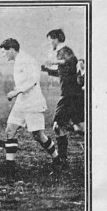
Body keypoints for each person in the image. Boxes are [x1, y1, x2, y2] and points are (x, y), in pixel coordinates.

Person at [0, 38, 61, 180]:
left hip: (33, 102)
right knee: (10, 130)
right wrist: (17, 92)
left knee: (38, 135)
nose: (3, 55)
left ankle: (57, 158)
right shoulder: (18, 61)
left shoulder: (27, 59)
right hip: (21, 102)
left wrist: (16, 91)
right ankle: (10, 168)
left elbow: (33, 80)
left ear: (11, 50)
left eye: (4, 52)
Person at [41, 29, 85, 160]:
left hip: (69, 95)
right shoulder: (62, 53)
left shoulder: (64, 50)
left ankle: (62, 159)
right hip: (75, 94)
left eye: (50, 40)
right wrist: (47, 70)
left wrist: (54, 62)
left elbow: (72, 60)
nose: (49, 43)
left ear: (56, 39)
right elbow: (65, 72)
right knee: (80, 127)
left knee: (58, 125)